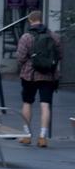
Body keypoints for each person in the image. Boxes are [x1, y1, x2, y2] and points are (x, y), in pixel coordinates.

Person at [16, 10, 62, 148]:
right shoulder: (53, 36)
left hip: (29, 75)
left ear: (30, 20)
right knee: (45, 104)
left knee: (27, 102)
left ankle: (26, 135)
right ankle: (42, 137)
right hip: (48, 75)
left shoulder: (26, 37)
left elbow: (20, 57)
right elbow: (59, 56)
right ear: (42, 19)